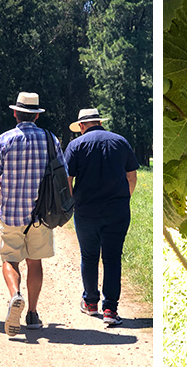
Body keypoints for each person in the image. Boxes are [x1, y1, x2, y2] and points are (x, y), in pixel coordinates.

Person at [0, 92, 66, 337]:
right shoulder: (51, 139)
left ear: (15, 113)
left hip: (11, 212)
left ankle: (14, 295)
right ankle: (32, 313)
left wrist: (9, 184)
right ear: (38, 115)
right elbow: (62, 173)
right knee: (35, 261)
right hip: (42, 213)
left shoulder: (3, 140)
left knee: (10, 259)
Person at [63, 108, 139, 326]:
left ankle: (90, 303)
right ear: (99, 122)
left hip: (86, 211)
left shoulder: (76, 146)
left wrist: (71, 203)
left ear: (82, 126)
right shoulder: (120, 142)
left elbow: (67, 179)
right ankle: (110, 309)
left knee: (89, 257)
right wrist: (125, 198)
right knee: (113, 258)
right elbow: (131, 177)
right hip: (117, 210)